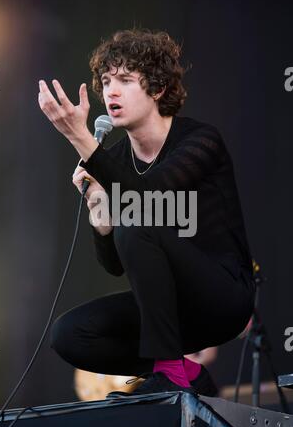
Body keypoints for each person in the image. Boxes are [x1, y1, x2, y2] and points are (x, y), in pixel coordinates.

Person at [38, 29, 255, 397]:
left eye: (125, 80)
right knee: (70, 334)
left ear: (157, 89)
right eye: (106, 81)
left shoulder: (199, 141)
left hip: (223, 298)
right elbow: (115, 265)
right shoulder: (117, 159)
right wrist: (100, 218)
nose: (110, 91)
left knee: (138, 220)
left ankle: (169, 373)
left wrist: (81, 139)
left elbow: (146, 198)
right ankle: (181, 369)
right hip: (167, 312)